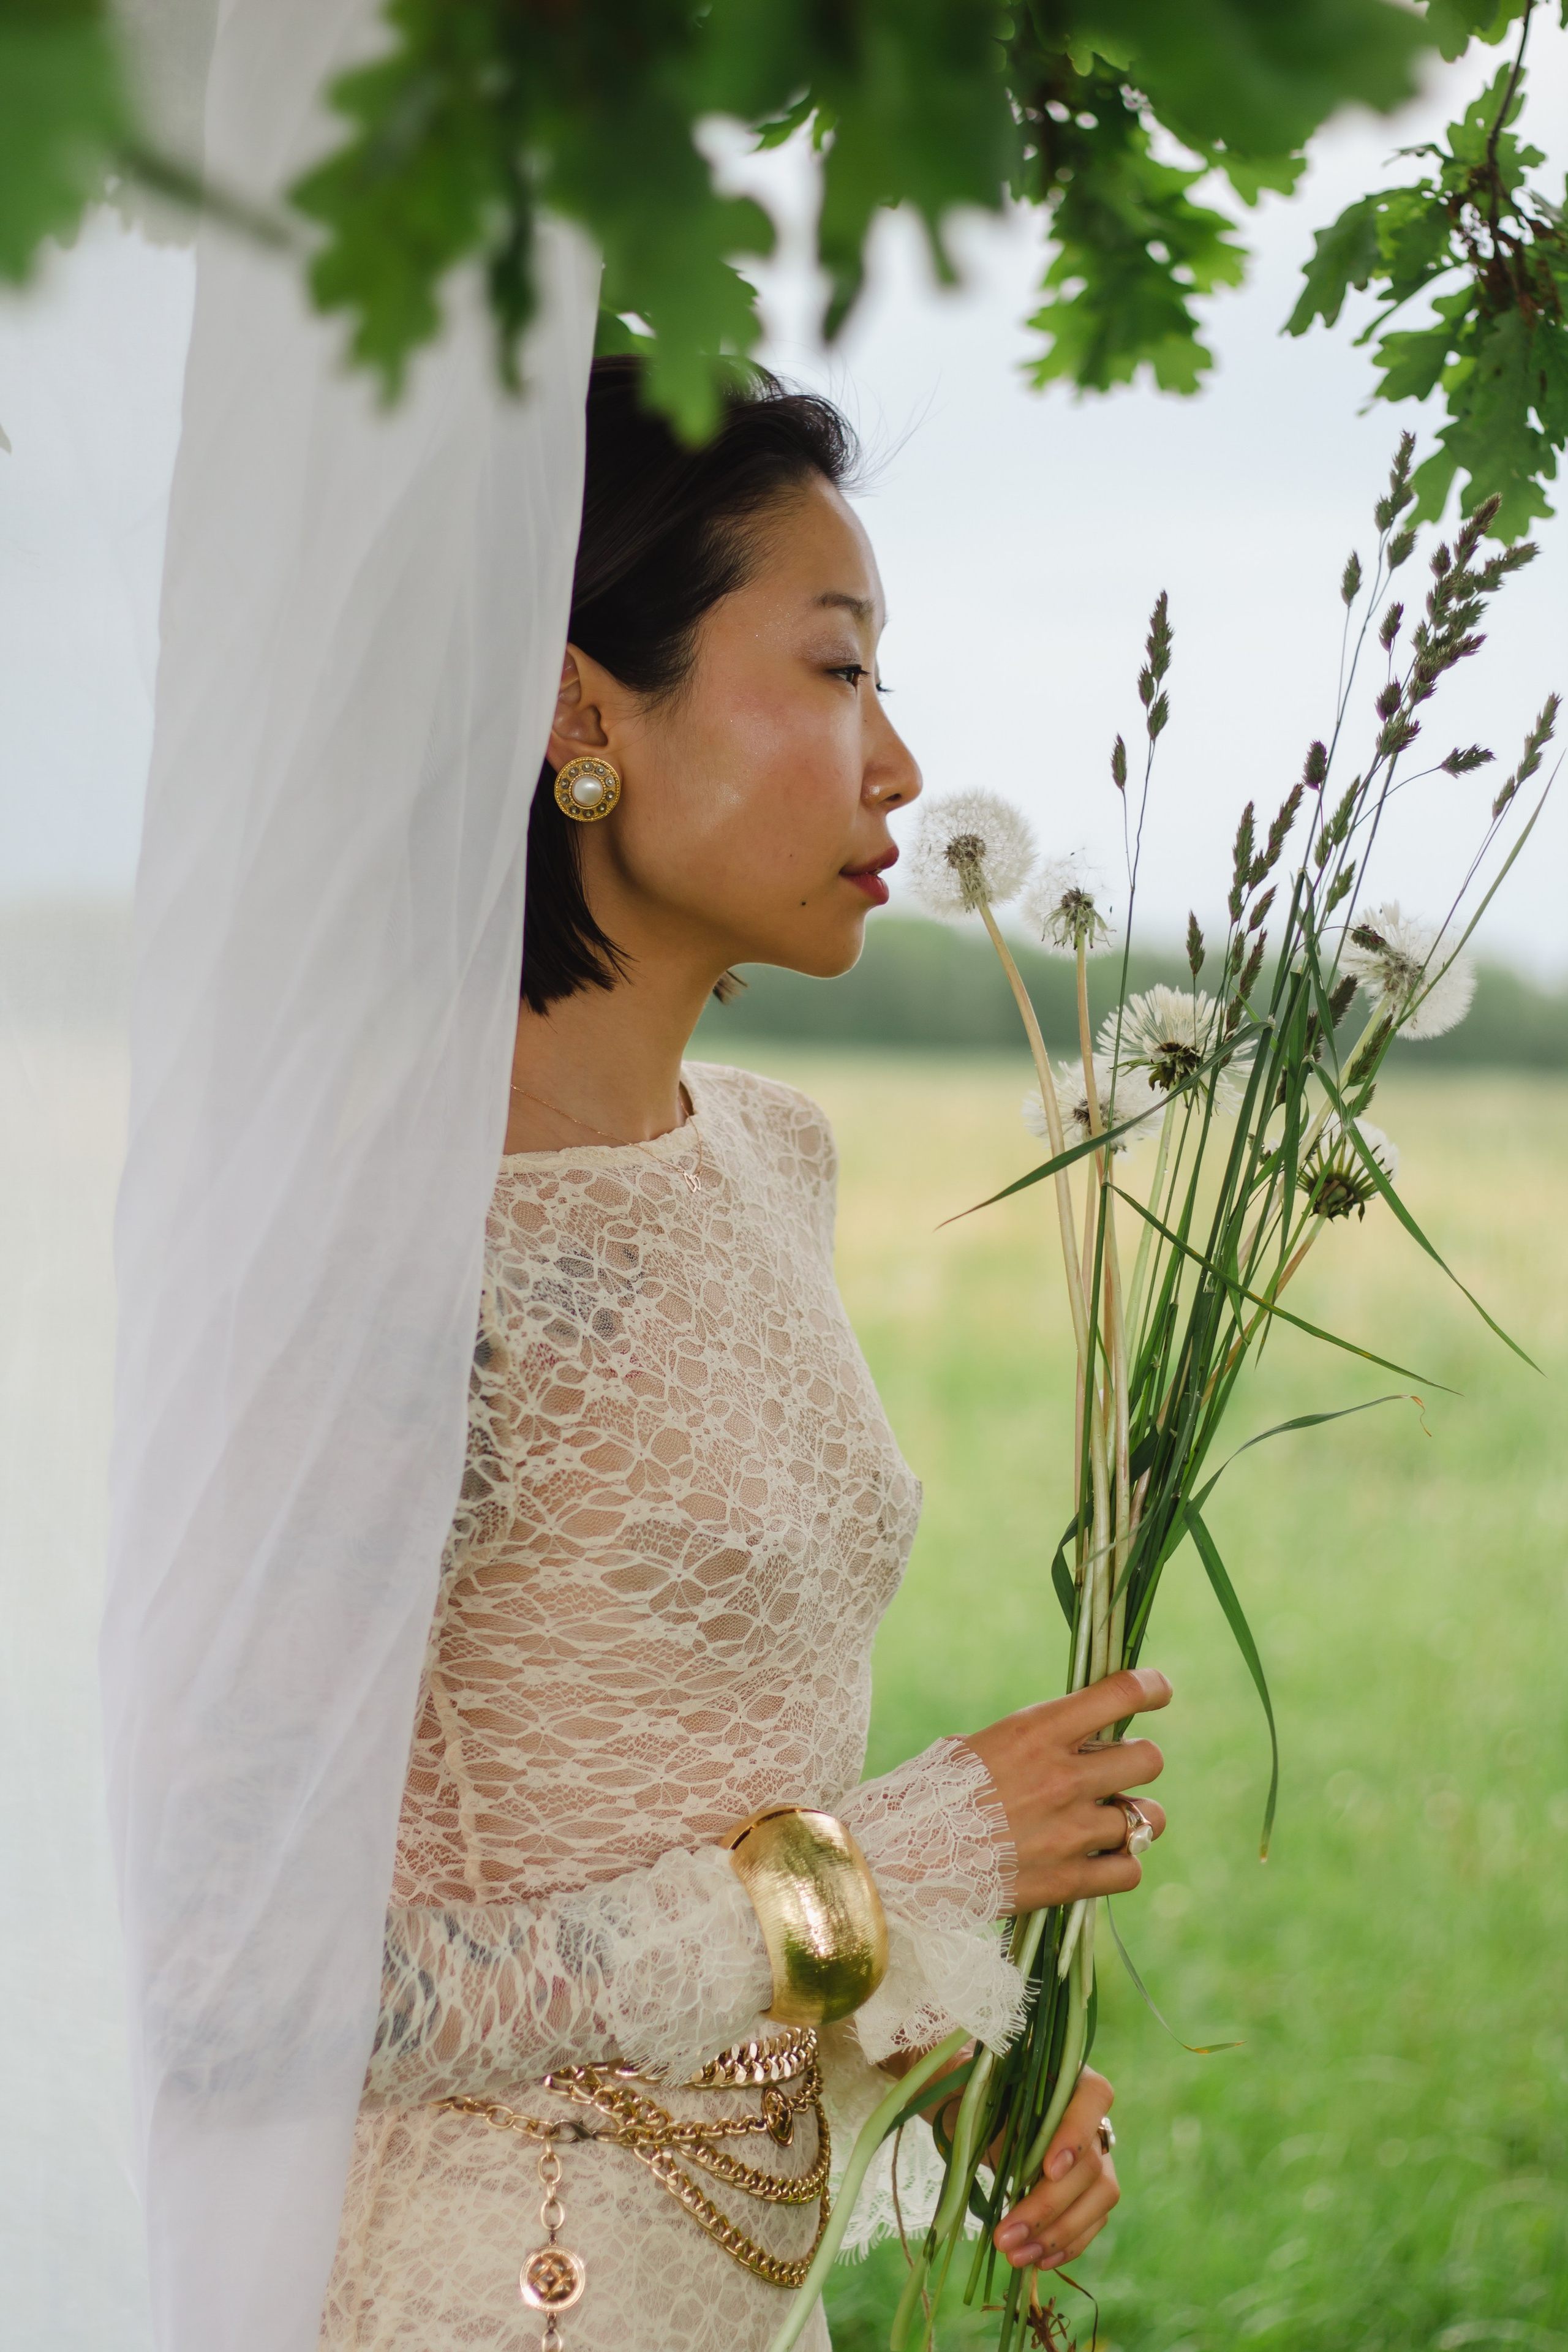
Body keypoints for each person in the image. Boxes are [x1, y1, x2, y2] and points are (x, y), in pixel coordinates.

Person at [318, 356, 1170, 2352]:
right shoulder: (398, 1251)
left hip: (742, 2283)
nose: (901, 767)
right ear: (579, 714)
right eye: (838, 669)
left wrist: (944, 2060)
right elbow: (279, 1989)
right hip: (485, 2298)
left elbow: (710, 1795)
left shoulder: (770, 1157)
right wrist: (896, 1868)